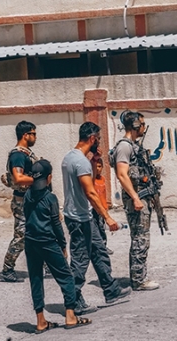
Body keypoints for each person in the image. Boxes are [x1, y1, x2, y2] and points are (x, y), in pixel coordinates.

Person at [61, 121, 131, 315]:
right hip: (79, 218)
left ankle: (111, 290)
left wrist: (94, 159)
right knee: (80, 259)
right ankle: (73, 300)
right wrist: (107, 217)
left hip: (83, 216)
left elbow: (82, 183)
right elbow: (91, 193)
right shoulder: (80, 162)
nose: (98, 142)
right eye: (98, 139)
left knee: (99, 251)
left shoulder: (70, 157)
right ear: (92, 138)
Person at [23, 159, 92, 333]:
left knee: (36, 279)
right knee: (66, 277)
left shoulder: (27, 196)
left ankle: (40, 321)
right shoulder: (50, 198)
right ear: (50, 177)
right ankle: (70, 316)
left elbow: (26, 217)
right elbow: (56, 225)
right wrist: (62, 245)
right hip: (48, 242)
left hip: (30, 242)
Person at [111, 111, 159, 291]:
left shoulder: (133, 145)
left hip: (142, 196)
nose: (144, 128)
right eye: (142, 124)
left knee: (142, 237)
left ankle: (139, 276)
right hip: (136, 199)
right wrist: (135, 197)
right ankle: (139, 280)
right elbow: (121, 175)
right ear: (135, 126)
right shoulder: (124, 146)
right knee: (140, 238)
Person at [1, 121, 39, 283]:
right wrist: (39, 180)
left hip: (31, 200)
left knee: (39, 232)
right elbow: (18, 178)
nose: (35, 137)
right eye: (33, 134)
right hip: (22, 202)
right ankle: (7, 269)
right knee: (21, 236)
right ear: (26, 135)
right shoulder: (18, 155)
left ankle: (44, 265)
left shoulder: (26, 153)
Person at [93, 158, 113, 255]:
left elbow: (104, 195)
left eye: (100, 166)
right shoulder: (91, 181)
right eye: (96, 166)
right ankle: (96, 248)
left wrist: (105, 208)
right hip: (93, 209)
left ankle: (103, 246)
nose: (98, 169)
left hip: (102, 209)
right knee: (94, 228)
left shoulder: (103, 179)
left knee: (101, 228)